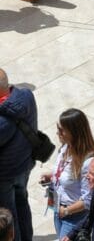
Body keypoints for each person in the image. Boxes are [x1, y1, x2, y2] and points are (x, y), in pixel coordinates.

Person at [40, 109, 94, 239]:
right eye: (58, 128)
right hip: (58, 209)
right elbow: (66, 174)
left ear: (74, 132)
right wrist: (51, 176)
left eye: (62, 130)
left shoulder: (87, 162)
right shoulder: (65, 148)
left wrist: (66, 211)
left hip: (74, 217)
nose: (58, 133)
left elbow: (88, 200)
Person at [0, 69, 37, 241]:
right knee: (22, 202)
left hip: (5, 175)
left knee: (8, 214)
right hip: (25, 165)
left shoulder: (2, 122)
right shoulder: (27, 96)